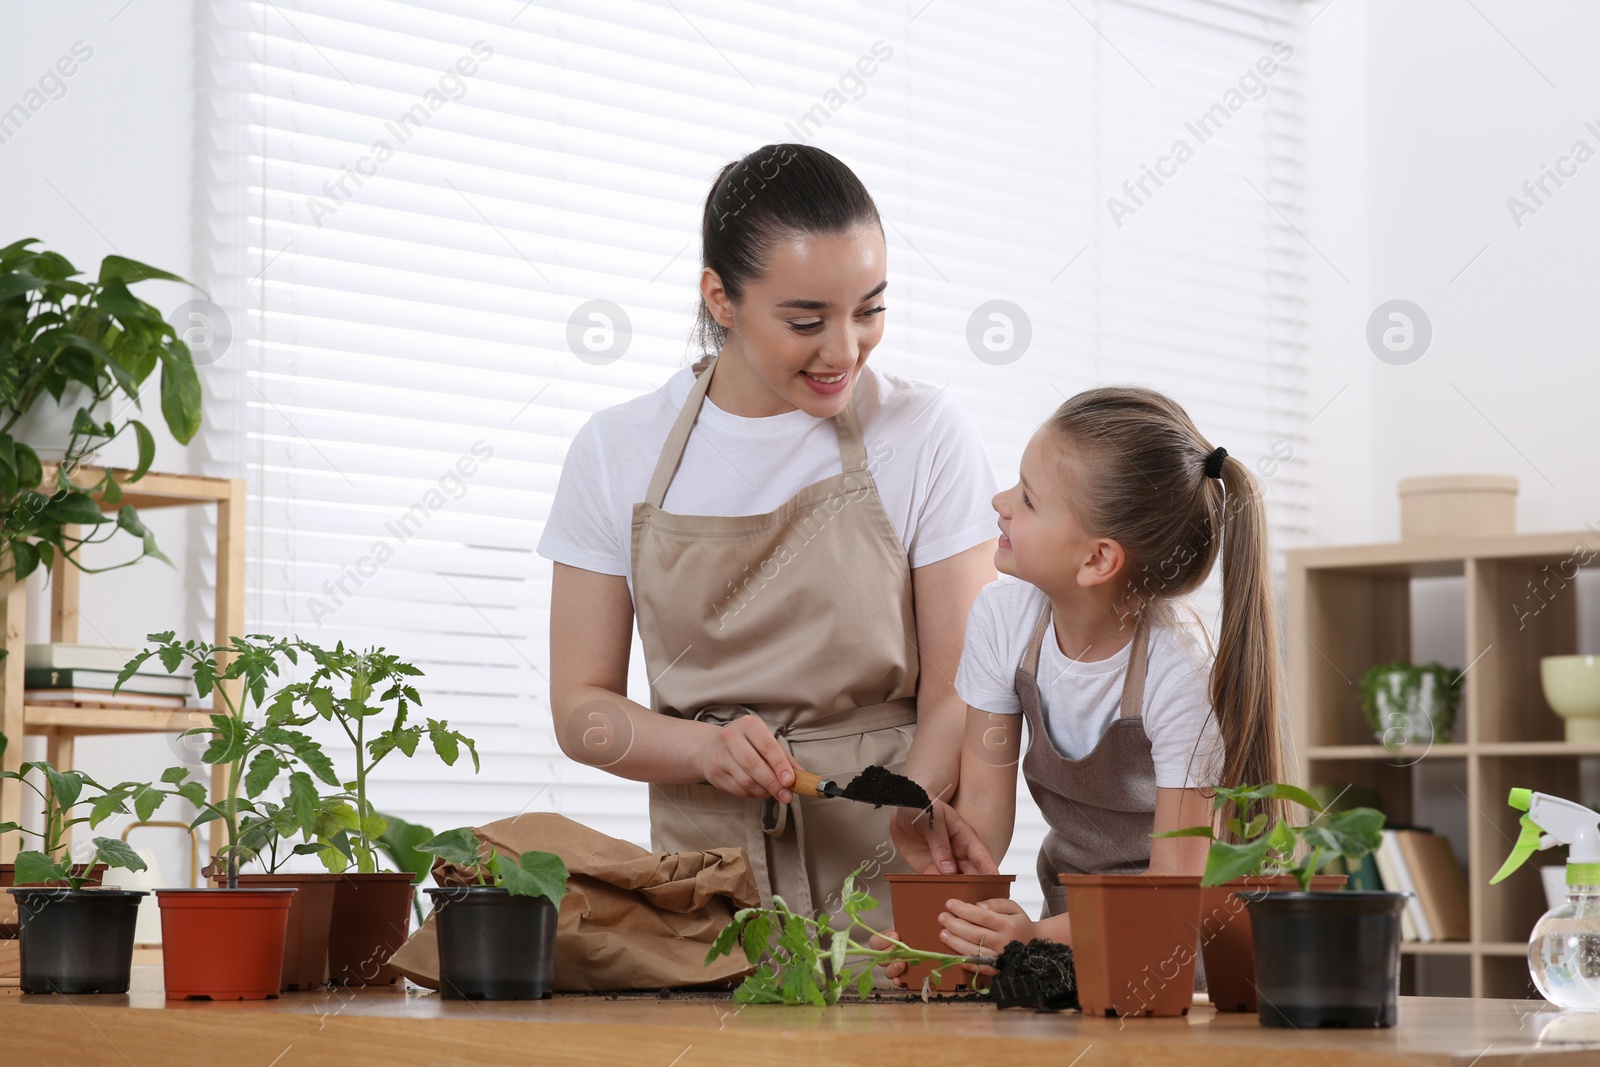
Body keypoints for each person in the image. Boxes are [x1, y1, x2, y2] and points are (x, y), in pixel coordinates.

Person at [538, 143, 998, 925]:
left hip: (893, 884)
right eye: (806, 320)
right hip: (706, 893)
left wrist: (909, 807)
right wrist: (701, 751)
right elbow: (582, 710)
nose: (844, 349)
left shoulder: (925, 433)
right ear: (720, 298)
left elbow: (962, 688)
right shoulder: (617, 449)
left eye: (870, 309)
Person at [888, 385, 1289, 972]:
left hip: (1185, 950)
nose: (999, 500)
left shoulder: (1180, 672)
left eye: (1027, 499)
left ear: (1097, 559)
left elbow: (1176, 890)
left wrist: (1029, 939)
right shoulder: (1003, 620)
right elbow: (980, 805)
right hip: (1069, 925)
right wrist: (941, 934)